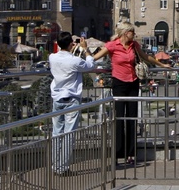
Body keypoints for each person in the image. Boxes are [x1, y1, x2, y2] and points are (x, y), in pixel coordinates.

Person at [92, 23, 170, 165]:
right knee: (119, 119)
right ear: (124, 33)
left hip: (133, 83)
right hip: (119, 84)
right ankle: (116, 154)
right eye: (132, 32)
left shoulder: (134, 45)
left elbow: (146, 57)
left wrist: (162, 65)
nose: (134, 34)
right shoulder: (112, 45)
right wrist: (84, 53)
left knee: (132, 119)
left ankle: (130, 154)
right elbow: (94, 58)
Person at [49, 32, 97, 176]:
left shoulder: (52, 57)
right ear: (71, 44)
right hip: (71, 99)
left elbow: (61, 55)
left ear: (57, 44)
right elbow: (91, 65)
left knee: (57, 132)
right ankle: (63, 168)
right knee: (69, 134)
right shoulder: (74, 61)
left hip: (57, 98)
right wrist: (85, 49)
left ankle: (55, 165)